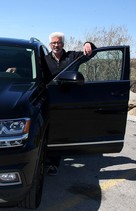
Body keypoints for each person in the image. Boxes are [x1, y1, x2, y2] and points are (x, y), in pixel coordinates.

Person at [45, 32, 96, 176]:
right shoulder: (43, 59)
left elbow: (91, 54)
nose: (56, 45)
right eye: (54, 43)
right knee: (49, 131)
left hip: (68, 100)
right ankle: (46, 158)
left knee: (61, 131)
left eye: (59, 42)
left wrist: (88, 44)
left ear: (63, 44)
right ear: (50, 44)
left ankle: (54, 163)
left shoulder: (72, 57)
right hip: (50, 99)